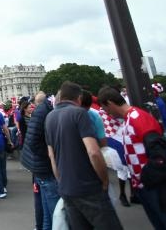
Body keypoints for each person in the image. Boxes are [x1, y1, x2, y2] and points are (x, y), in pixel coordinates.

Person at [100, 86, 166, 230]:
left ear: (110, 103)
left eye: (105, 109)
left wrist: (147, 177)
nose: (107, 113)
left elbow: (159, 153)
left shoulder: (137, 118)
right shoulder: (131, 119)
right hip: (148, 184)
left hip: (155, 185)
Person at [46, 82, 122, 230]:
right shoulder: (79, 113)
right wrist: (104, 180)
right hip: (88, 186)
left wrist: (61, 181)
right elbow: (93, 152)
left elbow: (52, 156)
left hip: (67, 188)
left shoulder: (49, 117)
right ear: (79, 98)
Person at [21, 91, 59, 230]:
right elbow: (33, 141)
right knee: (54, 210)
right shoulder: (42, 112)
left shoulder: (41, 112)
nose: (31, 107)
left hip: (37, 164)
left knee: (45, 207)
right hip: (42, 165)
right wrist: (51, 155)